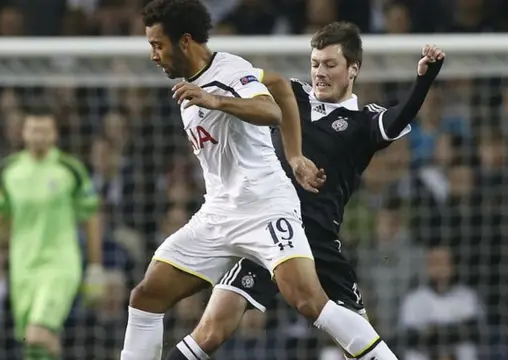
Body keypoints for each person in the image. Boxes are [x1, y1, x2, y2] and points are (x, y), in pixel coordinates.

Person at [119, 1, 402, 360]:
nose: (153, 55)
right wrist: (296, 154)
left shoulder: (227, 72)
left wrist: (217, 101)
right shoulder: (199, 80)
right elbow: (281, 85)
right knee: (146, 296)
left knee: (308, 300)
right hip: (218, 215)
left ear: (185, 41)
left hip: (266, 208)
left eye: (158, 45)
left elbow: (270, 109)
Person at [164, 22, 445, 360]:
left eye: (330, 65)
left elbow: (397, 120)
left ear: (353, 69)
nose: (320, 73)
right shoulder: (291, 95)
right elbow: (239, 78)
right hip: (266, 232)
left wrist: (424, 80)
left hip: (318, 241)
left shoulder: (363, 123)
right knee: (210, 331)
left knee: (357, 344)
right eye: (315, 64)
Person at [0, 109, 105, 360]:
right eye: (34, 130)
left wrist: (94, 265)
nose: (39, 136)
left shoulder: (69, 169)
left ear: (54, 135)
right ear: (23, 133)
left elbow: (90, 218)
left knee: (38, 333)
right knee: (34, 346)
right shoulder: (10, 170)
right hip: (22, 268)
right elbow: (1, 218)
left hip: (59, 265)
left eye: (45, 131)